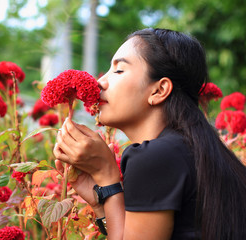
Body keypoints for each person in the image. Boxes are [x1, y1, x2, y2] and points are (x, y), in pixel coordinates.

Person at [53, 28, 246, 240]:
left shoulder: (156, 157)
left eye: (119, 70)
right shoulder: (191, 148)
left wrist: (107, 176)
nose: (100, 82)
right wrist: (101, 202)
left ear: (159, 90)